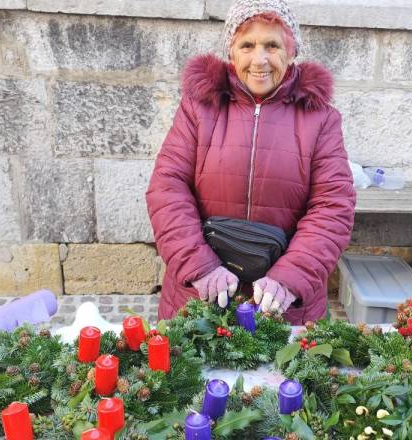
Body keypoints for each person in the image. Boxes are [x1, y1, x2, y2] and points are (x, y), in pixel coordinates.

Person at [146, 0, 356, 324]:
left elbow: (332, 206)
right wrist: (200, 267)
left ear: (291, 50)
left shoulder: (321, 120)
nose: (260, 60)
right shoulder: (198, 108)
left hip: (282, 306)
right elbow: (167, 188)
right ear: (232, 51)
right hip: (201, 298)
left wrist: (289, 277)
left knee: (284, 376)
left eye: (272, 45)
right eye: (247, 45)